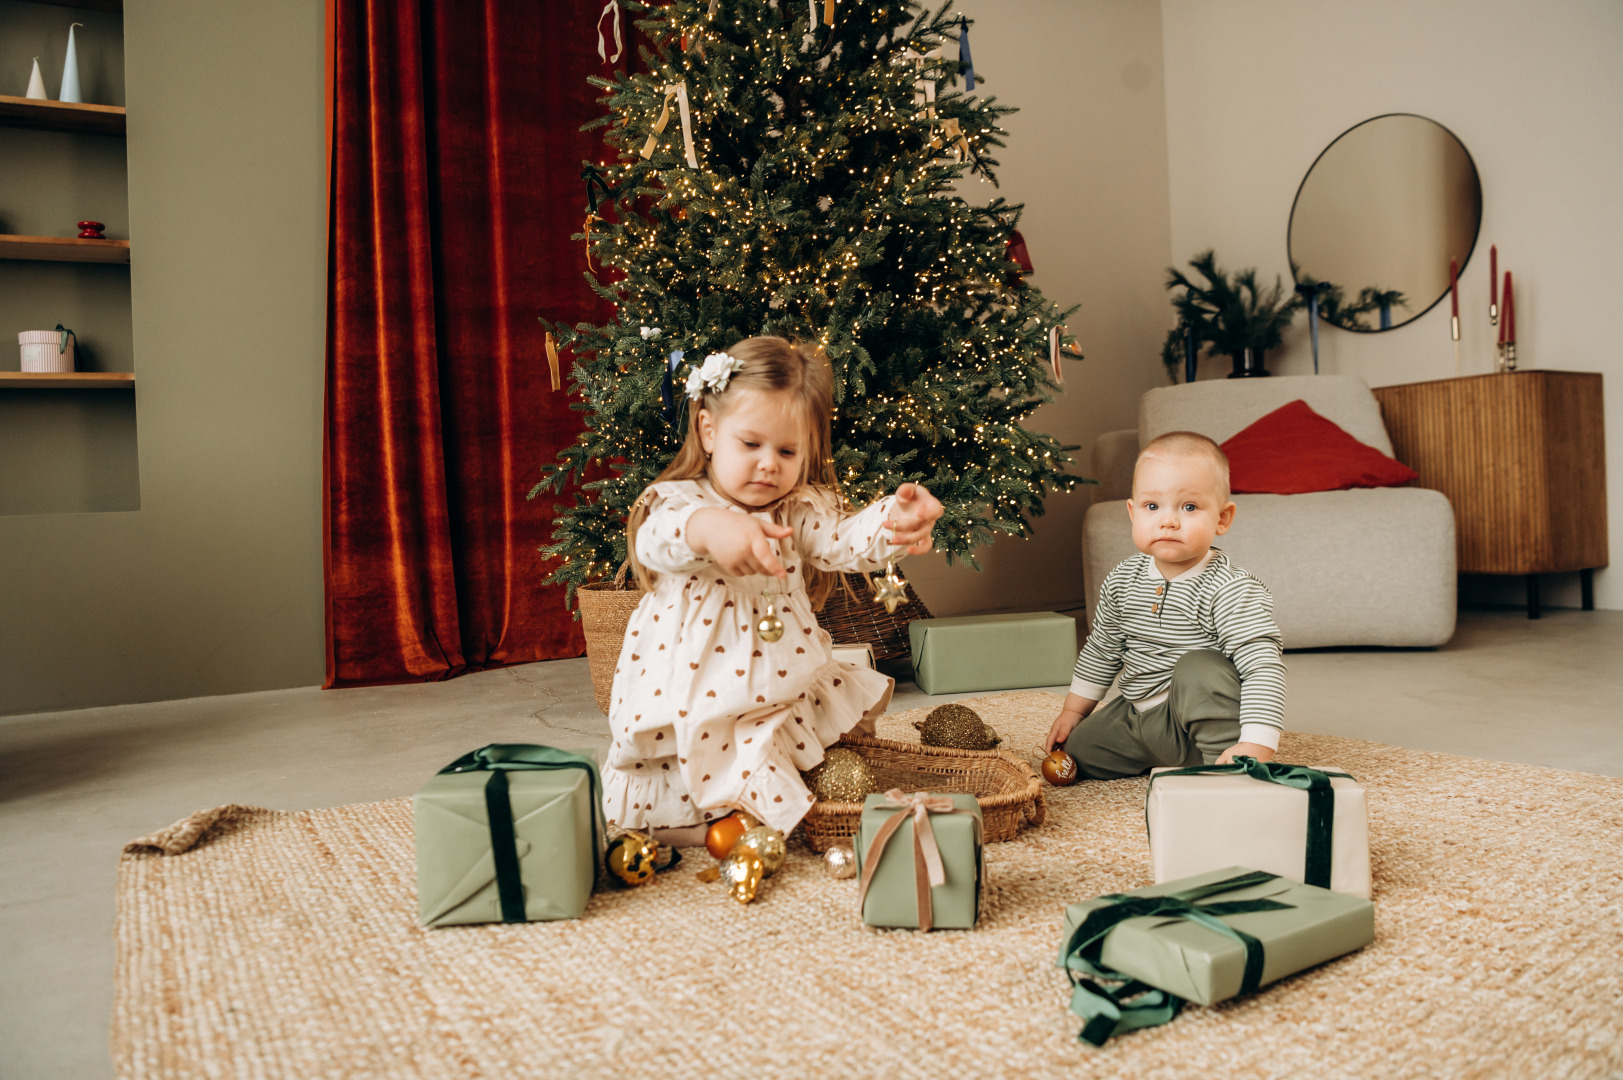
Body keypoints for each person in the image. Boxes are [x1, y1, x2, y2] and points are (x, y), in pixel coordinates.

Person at [605, 336, 942, 845]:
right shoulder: (678, 501)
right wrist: (709, 528)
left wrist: (891, 521)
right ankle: (699, 817)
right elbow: (657, 542)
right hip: (699, 679)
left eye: (787, 451)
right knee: (710, 744)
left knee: (784, 740)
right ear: (709, 430)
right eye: (751, 444)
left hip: (780, 669)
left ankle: (770, 797)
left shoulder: (796, 507)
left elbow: (840, 542)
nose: (769, 464)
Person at [1045, 431, 1285, 779]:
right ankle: (1163, 756)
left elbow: (1263, 666)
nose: (1168, 520)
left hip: (1195, 720)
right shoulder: (1121, 580)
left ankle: (1227, 762)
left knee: (1200, 667)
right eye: (1152, 506)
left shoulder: (1231, 588)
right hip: (1138, 715)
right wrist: (1074, 711)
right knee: (1078, 753)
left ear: (1222, 518)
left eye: (1189, 507)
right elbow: (1102, 649)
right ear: (1132, 512)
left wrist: (1258, 742)